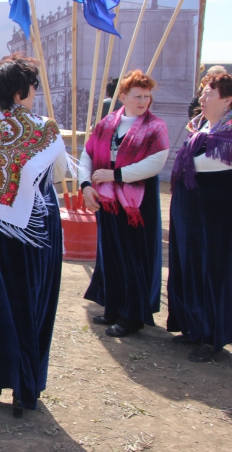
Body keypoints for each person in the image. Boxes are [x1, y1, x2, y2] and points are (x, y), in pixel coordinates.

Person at [0, 53, 67, 417]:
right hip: (34, 231)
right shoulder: (45, 129)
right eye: (34, 85)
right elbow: (51, 178)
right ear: (22, 90)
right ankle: (25, 389)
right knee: (29, 306)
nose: (36, 92)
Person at [167, 73, 232, 363]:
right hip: (190, 212)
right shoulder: (199, 126)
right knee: (190, 266)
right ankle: (193, 327)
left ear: (228, 99)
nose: (202, 99)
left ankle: (212, 336)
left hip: (220, 216)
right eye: (203, 93)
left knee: (215, 273)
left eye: (209, 94)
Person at [80, 70, 170, 338]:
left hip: (137, 204)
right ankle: (114, 306)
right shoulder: (107, 123)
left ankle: (132, 316)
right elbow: (88, 155)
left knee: (134, 256)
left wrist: (115, 175)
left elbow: (155, 163)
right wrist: (86, 186)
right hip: (107, 200)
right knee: (110, 253)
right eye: (138, 95)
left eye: (147, 95)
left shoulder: (156, 127)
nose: (144, 100)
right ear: (122, 97)